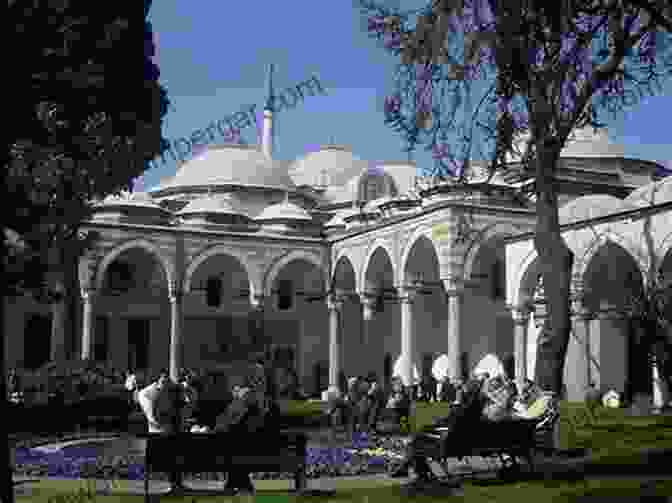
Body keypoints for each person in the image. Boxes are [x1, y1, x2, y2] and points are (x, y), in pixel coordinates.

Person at [389, 376, 489, 482]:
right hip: (464, 444)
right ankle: (412, 469)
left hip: (449, 446)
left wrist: (433, 426)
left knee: (416, 441)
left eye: (463, 389)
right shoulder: (475, 409)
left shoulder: (461, 410)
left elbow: (447, 422)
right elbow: (451, 423)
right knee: (420, 437)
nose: (460, 391)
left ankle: (416, 471)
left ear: (467, 392)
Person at [137, 369, 186, 492]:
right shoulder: (149, 393)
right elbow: (154, 418)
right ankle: (175, 483)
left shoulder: (169, 392)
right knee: (172, 450)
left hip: (166, 435)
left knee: (174, 449)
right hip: (161, 435)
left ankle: (175, 483)